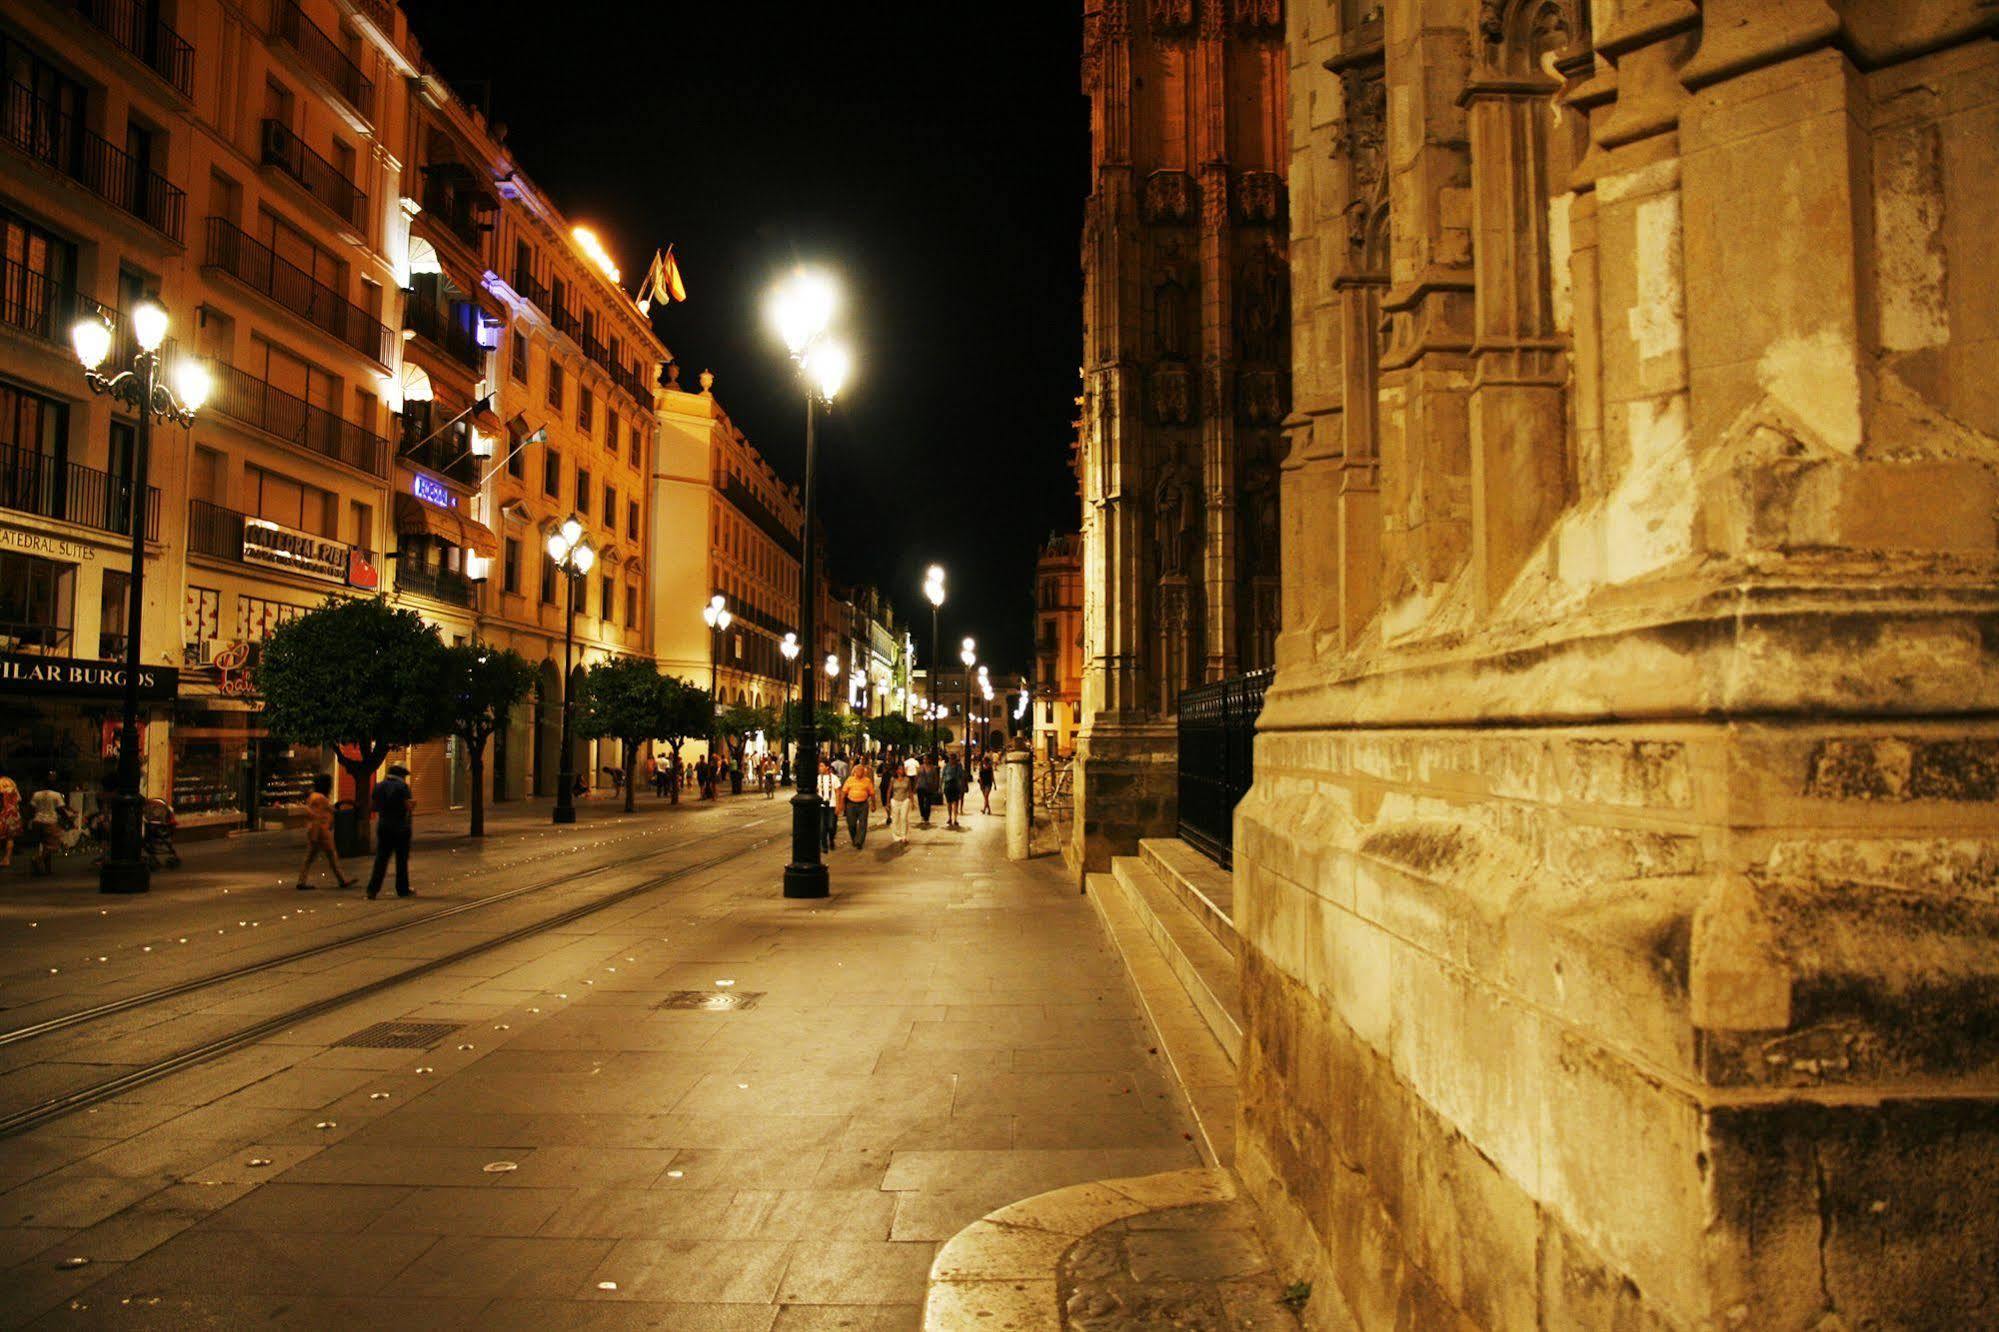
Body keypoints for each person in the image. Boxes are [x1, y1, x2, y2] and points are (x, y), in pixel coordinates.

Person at [366, 762, 415, 900]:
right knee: (401, 860)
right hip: (400, 827)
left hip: (383, 825)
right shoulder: (402, 787)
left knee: (381, 859)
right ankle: (402, 889)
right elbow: (407, 805)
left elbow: (373, 807)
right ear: (402, 774)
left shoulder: (379, 786)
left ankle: (372, 890)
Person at [296, 773, 351, 890]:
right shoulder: (320, 799)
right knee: (331, 856)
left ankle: (302, 880)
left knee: (311, 857)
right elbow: (318, 817)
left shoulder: (314, 797)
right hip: (322, 832)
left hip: (317, 831)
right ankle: (342, 880)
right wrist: (316, 835)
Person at [27, 774, 66, 875]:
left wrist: (29, 820)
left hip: (37, 821)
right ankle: (38, 859)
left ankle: (47, 869)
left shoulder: (36, 794)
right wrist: (68, 820)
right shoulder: (56, 795)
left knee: (44, 845)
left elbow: (31, 808)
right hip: (50, 822)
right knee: (54, 845)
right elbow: (61, 809)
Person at [840, 760, 876, 850]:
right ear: (854, 772)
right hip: (851, 804)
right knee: (851, 824)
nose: (860, 772)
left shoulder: (867, 781)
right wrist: (841, 804)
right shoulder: (849, 780)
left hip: (863, 804)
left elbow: (872, 794)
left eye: (862, 771)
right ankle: (854, 839)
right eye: (858, 771)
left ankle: (859, 841)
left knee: (863, 824)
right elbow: (843, 793)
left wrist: (873, 805)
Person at [887, 759, 916, 844]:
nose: (901, 771)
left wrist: (912, 802)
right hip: (895, 800)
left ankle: (904, 836)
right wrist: (888, 802)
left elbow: (910, 791)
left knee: (904, 818)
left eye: (903, 769)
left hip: (905, 800)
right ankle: (897, 836)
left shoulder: (907, 779)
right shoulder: (893, 779)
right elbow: (889, 791)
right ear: (896, 770)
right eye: (900, 769)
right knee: (895, 819)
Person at [816, 757, 840, 853]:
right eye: (819, 766)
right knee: (822, 826)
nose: (820, 768)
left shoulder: (834, 778)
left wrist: (838, 805)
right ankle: (824, 845)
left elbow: (838, 792)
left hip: (832, 805)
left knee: (831, 826)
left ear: (827, 767)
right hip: (821, 805)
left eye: (821, 766)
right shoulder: (818, 778)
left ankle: (831, 839)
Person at [943, 753, 968, 829]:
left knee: (955, 802)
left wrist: (962, 786)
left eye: (953, 758)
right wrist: (941, 786)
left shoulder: (959, 766)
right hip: (948, 785)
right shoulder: (946, 766)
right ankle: (950, 817)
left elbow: (962, 777)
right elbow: (943, 776)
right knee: (949, 803)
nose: (951, 760)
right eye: (950, 758)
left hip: (955, 785)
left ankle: (955, 818)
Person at [0, 775, 20, 869]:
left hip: (3, 812)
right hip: (13, 812)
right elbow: (18, 800)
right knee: (10, 837)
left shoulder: (1, 783)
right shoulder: (12, 783)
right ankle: (7, 858)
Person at [916, 757, 940, 826]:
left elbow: (935, 777)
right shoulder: (920, 767)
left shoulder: (933, 768)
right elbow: (917, 777)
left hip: (929, 787)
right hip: (920, 786)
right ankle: (923, 815)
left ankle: (927, 817)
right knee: (921, 802)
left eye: (926, 759)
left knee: (928, 803)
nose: (925, 760)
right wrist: (915, 786)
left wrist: (936, 786)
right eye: (924, 759)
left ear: (929, 760)